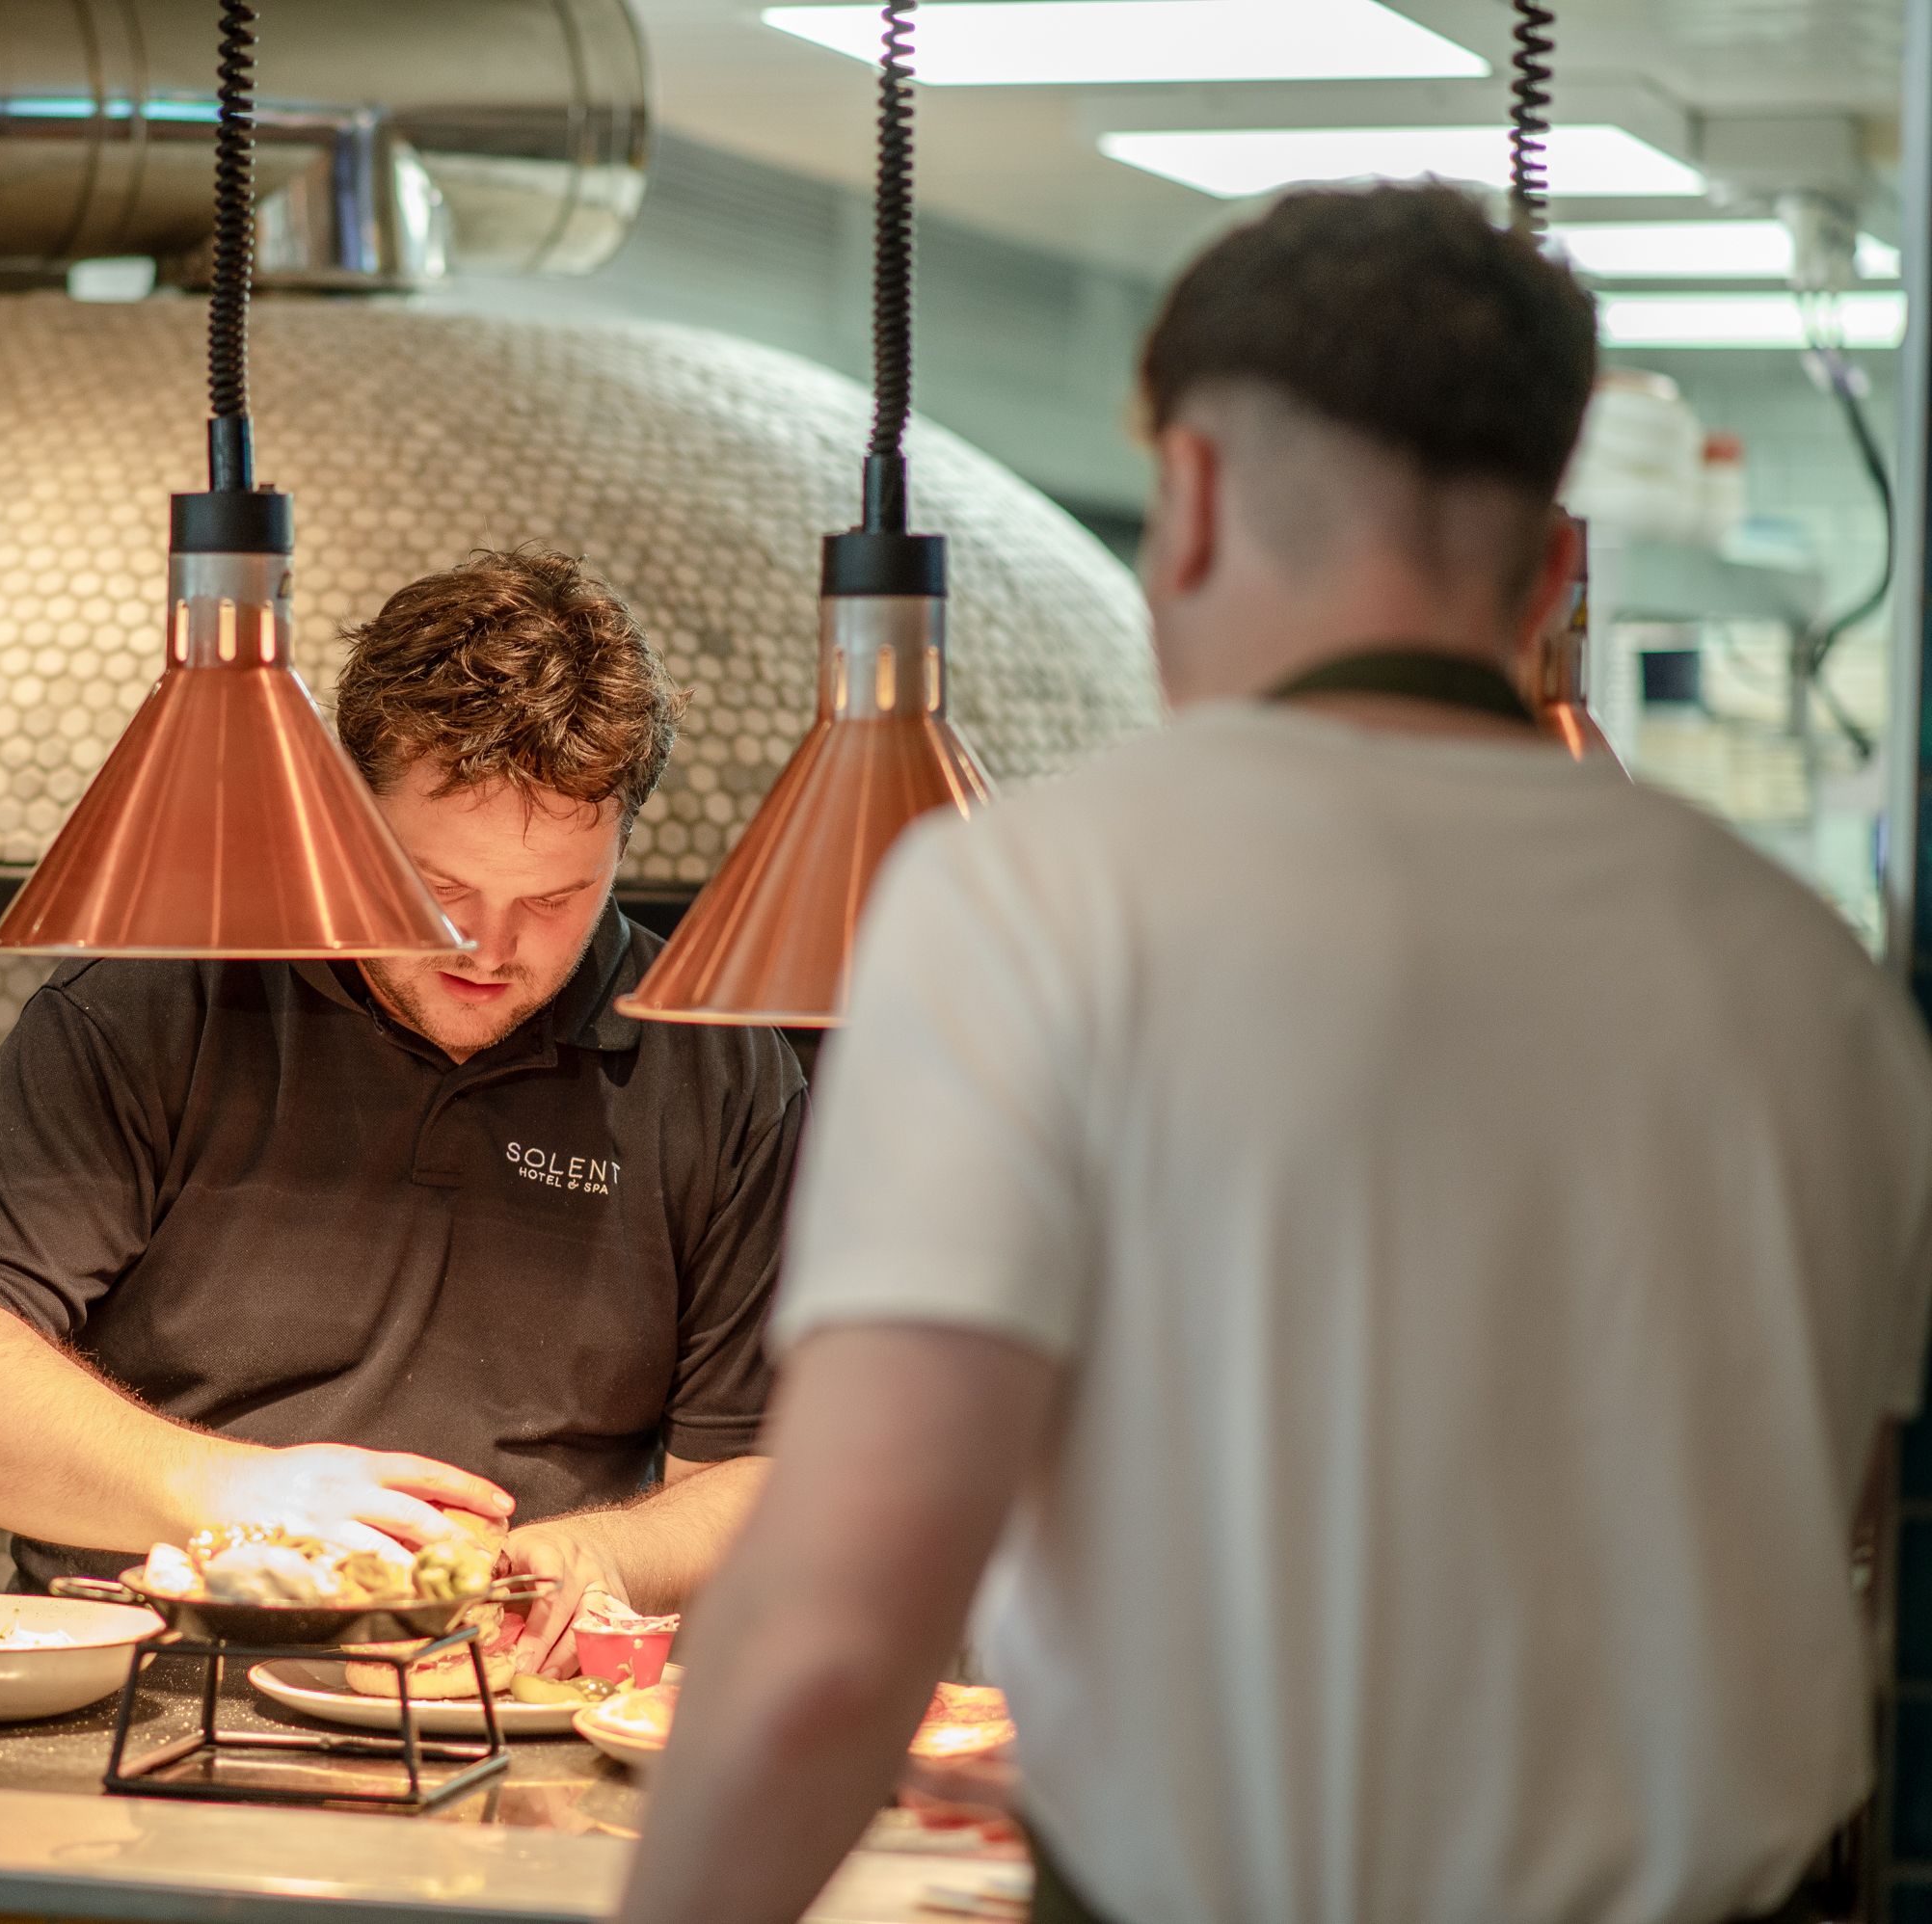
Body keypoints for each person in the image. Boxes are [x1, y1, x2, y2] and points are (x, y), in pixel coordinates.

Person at [617, 184, 1932, 1924]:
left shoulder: (1037, 900)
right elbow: (1779, 1522)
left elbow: (830, 1640)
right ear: (1553, 572)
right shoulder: (1807, 979)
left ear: (1199, 498)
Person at [0, 548, 799, 1670]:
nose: (487, 949)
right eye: (438, 887)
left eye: (553, 900)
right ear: (349, 819)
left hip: (500, 1707)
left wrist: (606, 1558)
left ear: (622, 851)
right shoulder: (169, 996)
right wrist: (239, 1493)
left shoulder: (715, 1070)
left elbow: (762, 1474)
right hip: (144, 1700)